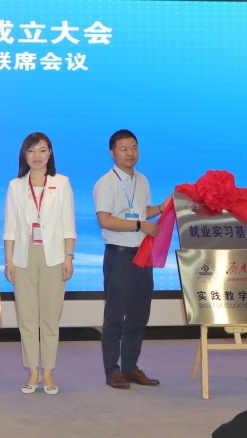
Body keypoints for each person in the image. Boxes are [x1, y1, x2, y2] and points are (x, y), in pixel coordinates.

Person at [93, 129, 170, 390]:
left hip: (143, 255)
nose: (130, 153)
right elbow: (105, 220)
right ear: (112, 153)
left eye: (134, 147)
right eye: (124, 148)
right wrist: (139, 225)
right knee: (115, 316)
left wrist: (161, 208)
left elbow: (142, 211)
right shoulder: (106, 183)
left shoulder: (142, 180)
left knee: (139, 314)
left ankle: (130, 367)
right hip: (119, 256)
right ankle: (112, 370)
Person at [3, 132, 76, 396]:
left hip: (54, 257)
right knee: (27, 318)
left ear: (50, 154)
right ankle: (33, 371)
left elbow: (69, 224)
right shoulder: (15, 186)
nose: (37, 156)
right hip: (23, 257)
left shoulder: (62, 183)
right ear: (24, 155)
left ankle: (48, 372)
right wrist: (8, 261)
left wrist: (69, 256)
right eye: (31, 150)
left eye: (42, 150)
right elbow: (10, 228)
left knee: (50, 318)